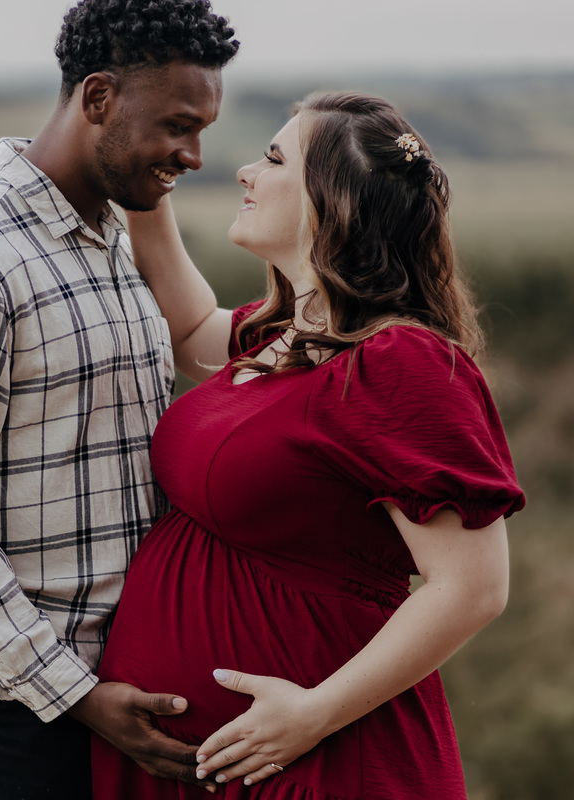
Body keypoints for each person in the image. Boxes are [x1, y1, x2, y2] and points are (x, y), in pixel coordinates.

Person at [90, 91, 526, 798]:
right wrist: (145, 181)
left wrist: (313, 714)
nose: (245, 172)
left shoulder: (401, 364)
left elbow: (473, 588)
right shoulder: (291, 338)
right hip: (204, 763)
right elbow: (191, 323)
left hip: (317, 762)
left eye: (273, 159)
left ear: (334, 199)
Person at [0, 1, 239, 797]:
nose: (194, 155)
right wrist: (76, 694)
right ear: (99, 98)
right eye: (178, 126)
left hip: (103, 682)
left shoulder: (109, 235)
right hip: (4, 694)